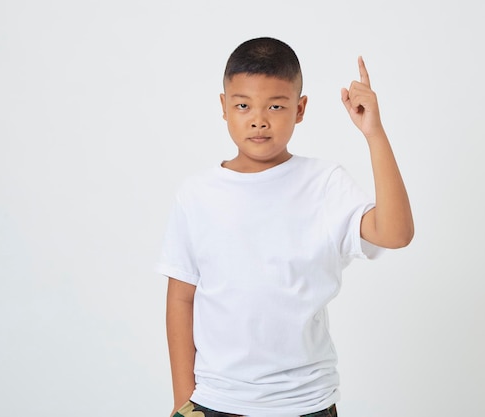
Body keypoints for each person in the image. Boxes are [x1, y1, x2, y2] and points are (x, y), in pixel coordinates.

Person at [156, 37, 414, 417]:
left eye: (276, 106)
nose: (259, 120)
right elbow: (181, 298)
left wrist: (374, 133)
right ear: (224, 107)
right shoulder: (196, 194)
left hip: (305, 402)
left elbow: (396, 234)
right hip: (215, 400)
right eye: (243, 105)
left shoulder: (324, 183)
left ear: (300, 109)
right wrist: (184, 402)